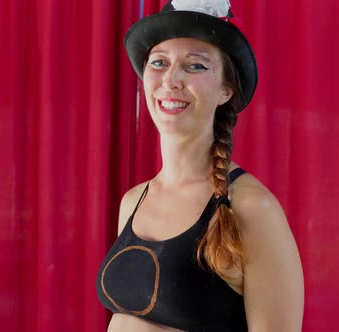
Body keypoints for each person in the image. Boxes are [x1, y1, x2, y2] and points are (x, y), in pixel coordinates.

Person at [96, 0, 304, 331]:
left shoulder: (252, 208)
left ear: (226, 89)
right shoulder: (134, 200)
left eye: (195, 66)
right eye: (159, 62)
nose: (171, 80)